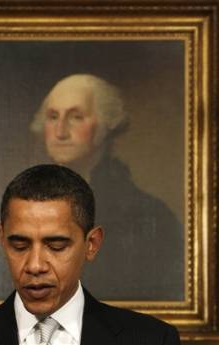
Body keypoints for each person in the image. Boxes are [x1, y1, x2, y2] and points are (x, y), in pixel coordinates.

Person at [0, 164, 181, 345]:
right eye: (19, 245)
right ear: (1, 237)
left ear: (92, 243)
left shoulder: (153, 339)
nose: (35, 265)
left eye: (56, 246)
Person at [30, 74, 184, 300]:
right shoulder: (25, 207)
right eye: (53, 117)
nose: (60, 131)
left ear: (106, 125)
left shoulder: (148, 214)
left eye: (76, 117)